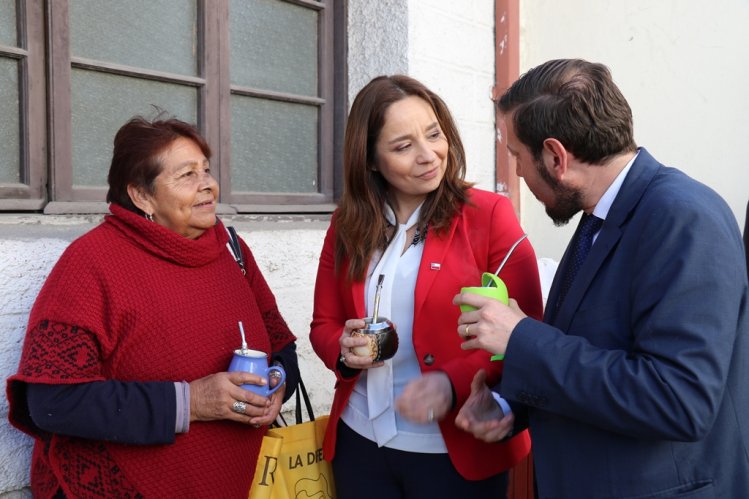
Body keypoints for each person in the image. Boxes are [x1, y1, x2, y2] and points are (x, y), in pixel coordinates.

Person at [454, 59, 749, 498]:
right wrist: (508, 405)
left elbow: (678, 400)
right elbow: (596, 351)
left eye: (516, 155)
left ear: (556, 157)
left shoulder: (684, 217)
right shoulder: (600, 217)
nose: (515, 171)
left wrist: (522, 339)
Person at [6, 115, 300, 498]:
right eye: (186, 175)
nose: (208, 184)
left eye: (206, 170)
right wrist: (191, 402)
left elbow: (282, 346)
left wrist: (278, 385)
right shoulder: (91, 263)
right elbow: (53, 402)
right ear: (142, 196)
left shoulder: (232, 250)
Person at [309, 74, 543, 498]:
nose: (429, 155)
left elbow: (528, 334)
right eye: (403, 147)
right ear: (371, 160)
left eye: (434, 134)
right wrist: (342, 351)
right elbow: (324, 324)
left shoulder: (489, 215)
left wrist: (450, 383)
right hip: (360, 441)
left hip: (453, 450)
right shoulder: (346, 224)